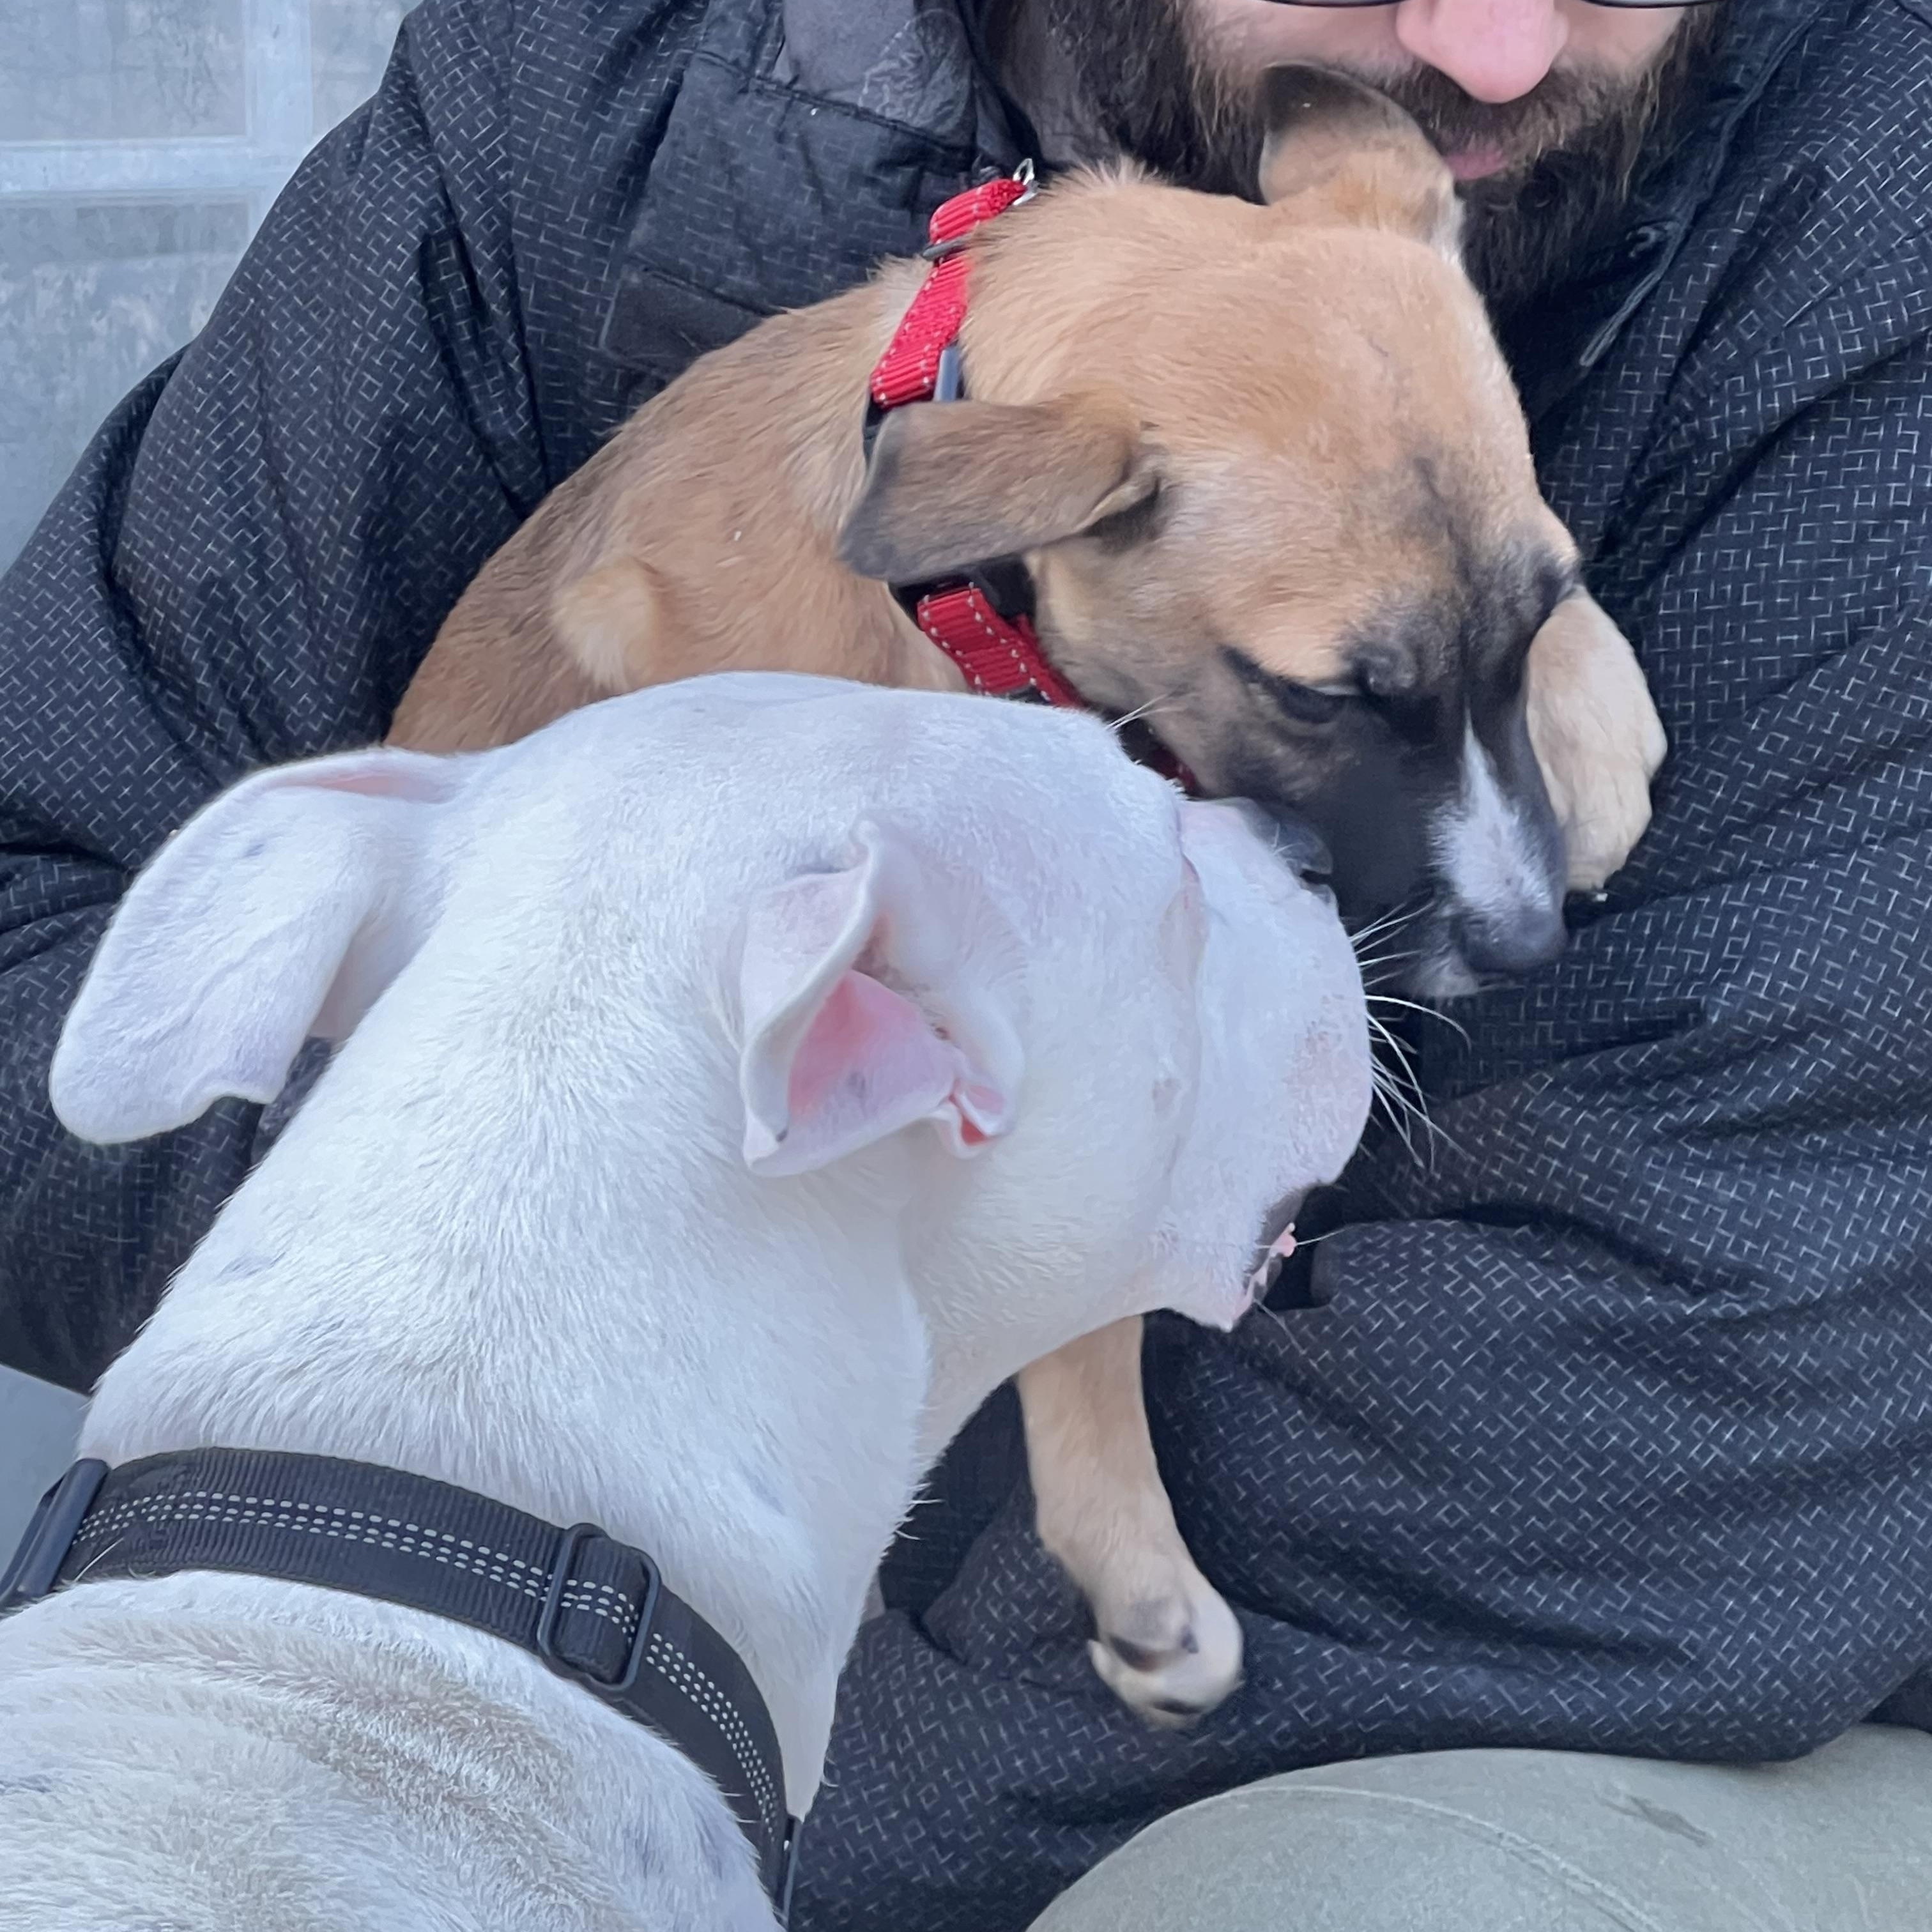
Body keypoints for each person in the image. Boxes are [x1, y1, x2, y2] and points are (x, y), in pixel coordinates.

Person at [1, 0, 1928, 1926]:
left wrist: (672, 1738)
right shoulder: (585, 90)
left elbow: (1728, 1409)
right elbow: (46, 936)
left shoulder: (1864, 202)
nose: (1501, 50)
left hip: (1524, 1655)